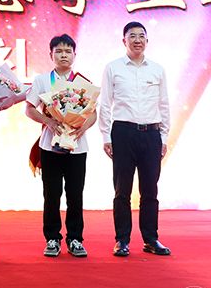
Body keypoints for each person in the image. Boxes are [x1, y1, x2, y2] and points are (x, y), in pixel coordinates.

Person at [98, 21, 171, 257]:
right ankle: (122, 240)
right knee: (122, 190)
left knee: (150, 190)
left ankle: (151, 239)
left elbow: (164, 104)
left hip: (151, 134)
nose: (137, 40)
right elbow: (105, 104)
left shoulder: (157, 69)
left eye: (141, 36)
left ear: (147, 41)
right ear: (124, 41)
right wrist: (106, 136)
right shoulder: (113, 68)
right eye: (132, 36)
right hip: (123, 133)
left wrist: (163, 137)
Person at [25, 34, 96, 258]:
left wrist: (83, 128)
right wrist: (48, 121)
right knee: (51, 194)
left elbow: (93, 114)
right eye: (59, 51)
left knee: (75, 194)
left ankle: (75, 238)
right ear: (51, 55)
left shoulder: (82, 82)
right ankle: (52, 238)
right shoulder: (42, 81)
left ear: (74, 55)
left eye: (67, 51)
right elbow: (29, 109)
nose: (63, 55)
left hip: (77, 146)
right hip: (50, 146)